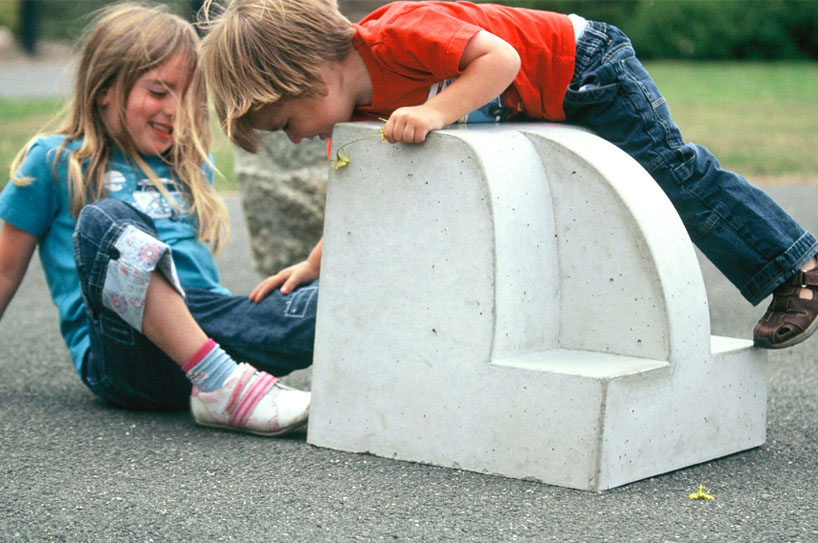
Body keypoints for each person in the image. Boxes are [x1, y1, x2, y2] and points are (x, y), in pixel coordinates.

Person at [199, 0, 818, 349]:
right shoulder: (360, 114)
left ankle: (795, 265)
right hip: (542, 106)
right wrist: (315, 263)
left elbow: (502, 58)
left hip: (587, 69)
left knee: (672, 176)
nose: (296, 138)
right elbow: (372, 199)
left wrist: (435, 111)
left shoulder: (396, 34)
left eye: (286, 123)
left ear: (308, 76)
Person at [0, 3, 316, 436]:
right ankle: (222, 385)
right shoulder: (55, 161)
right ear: (105, 88)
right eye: (159, 91)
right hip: (126, 352)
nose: (175, 110)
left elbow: (201, 287)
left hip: (207, 330)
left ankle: (225, 378)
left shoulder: (188, 165)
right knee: (104, 220)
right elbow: (3, 271)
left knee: (326, 299)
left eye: (187, 97)